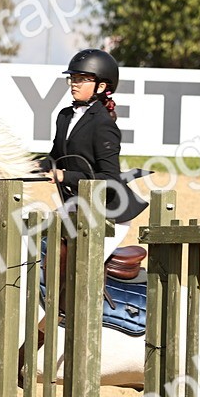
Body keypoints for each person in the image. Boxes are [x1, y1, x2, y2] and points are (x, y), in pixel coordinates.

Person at [43, 48, 147, 257]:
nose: (74, 83)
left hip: (110, 213)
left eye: (81, 79)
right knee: (42, 244)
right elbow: (55, 157)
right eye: (73, 78)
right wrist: (24, 165)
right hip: (79, 204)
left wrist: (65, 176)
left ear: (101, 86)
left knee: (83, 266)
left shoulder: (103, 124)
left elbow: (110, 178)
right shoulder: (64, 116)